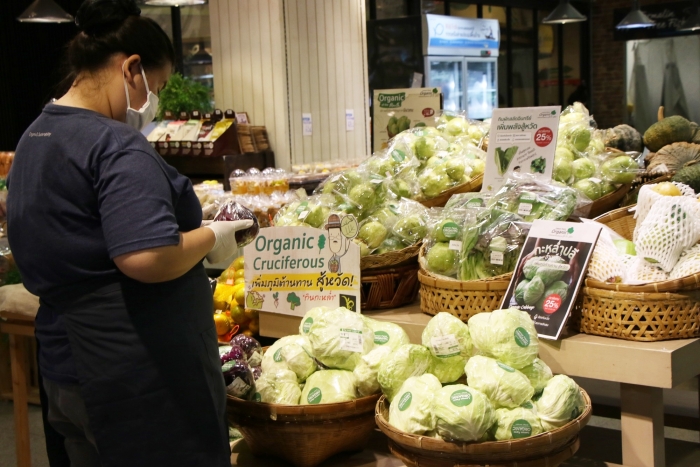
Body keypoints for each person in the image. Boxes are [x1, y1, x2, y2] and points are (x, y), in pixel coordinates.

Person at [6, 0, 251, 465]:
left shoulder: (35, 137)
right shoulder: (114, 145)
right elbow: (148, 256)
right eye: (154, 87)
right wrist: (215, 235)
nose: (150, 102)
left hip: (66, 368)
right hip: (140, 381)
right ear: (131, 69)